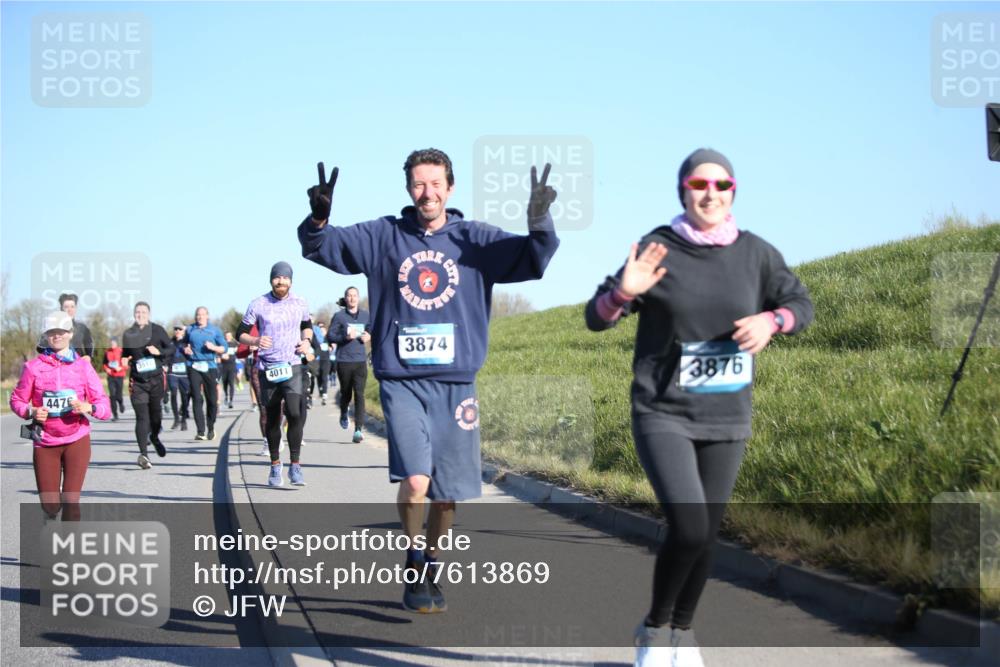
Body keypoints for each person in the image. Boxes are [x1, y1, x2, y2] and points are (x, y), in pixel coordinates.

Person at [298, 148, 559, 613]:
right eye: (419, 184)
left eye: (435, 183)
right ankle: (414, 558)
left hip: (457, 386)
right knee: (417, 480)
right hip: (402, 383)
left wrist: (539, 222)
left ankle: (432, 559)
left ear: (450, 188)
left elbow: (532, 260)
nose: (427, 193)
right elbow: (323, 246)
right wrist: (317, 220)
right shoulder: (385, 236)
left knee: (446, 495)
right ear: (408, 189)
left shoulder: (474, 239)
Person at [584, 148, 814, 667]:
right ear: (682, 191)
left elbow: (802, 305)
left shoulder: (757, 254)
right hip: (663, 410)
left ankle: (682, 633)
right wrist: (622, 294)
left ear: (733, 192)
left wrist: (772, 322)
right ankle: (653, 629)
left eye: (722, 184)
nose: (710, 193)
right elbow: (595, 318)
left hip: (727, 415)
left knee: (707, 532)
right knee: (689, 526)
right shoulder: (657, 249)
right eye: (699, 183)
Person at [11, 311, 111, 521]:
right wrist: (31, 411)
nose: (57, 336)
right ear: (46, 335)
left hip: (77, 440)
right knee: (50, 505)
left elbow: (104, 407)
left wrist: (88, 407)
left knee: (70, 501)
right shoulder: (33, 367)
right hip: (45, 442)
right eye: (52, 332)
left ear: (70, 334)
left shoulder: (83, 366)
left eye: (61, 332)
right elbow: (17, 400)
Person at [237, 262, 313, 487]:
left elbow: (306, 325)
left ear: (291, 280)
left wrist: (307, 340)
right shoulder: (258, 304)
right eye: (277, 278)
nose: (281, 281)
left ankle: (296, 466)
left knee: (294, 413)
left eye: (285, 278)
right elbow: (241, 333)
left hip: (293, 365)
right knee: (272, 417)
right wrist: (255, 340)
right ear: (271, 280)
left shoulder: (300, 302)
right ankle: (275, 464)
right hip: (267, 367)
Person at [120, 301, 174, 469]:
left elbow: (171, 349)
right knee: (142, 417)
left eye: (143, 312)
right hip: (138, 382)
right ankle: (143, 454)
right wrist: (124, 359)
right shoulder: (128, 333)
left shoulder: (158, 330)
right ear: (134, 314)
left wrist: (159, 352)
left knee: (155, 417)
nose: (140, 314)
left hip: (156, 379)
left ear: (149, 314)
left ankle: (155, 437)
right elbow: (125, 353)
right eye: (138, 312)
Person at [328, 287, 370, 442]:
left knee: (360, 394)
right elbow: (330, 335)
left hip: (360, 360)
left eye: (354, 296)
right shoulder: (339, 316)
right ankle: (344, 411)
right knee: (346, 392)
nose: (352, 298)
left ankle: (358, 429)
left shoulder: (366, 315)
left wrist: (369, 335)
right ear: (345, 298)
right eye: (349, 296)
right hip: (344, 361)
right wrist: (345, 337)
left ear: (358, 298)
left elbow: (372, 328)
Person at [182, 307, 227, 441]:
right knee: (196, 397)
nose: (200, 317)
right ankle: (200, 431)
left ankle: (211, 427)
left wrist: (213, 347)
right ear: (195, 316)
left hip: (210, 366)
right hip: (193, 365)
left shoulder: (215, 330)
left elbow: (224, 348)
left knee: (212, 400)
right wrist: (186, 349)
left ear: (207, 316)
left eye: (202, 315)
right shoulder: (190, 329)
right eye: (198, 315)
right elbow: (183, 344)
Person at [167, 326, 191, 430]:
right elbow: (165, 354)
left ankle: (183, 420)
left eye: (180, 329)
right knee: (173, 393)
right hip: (172, 372)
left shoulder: (187, 342)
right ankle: (176, 418)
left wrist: (189, 351)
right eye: (175, 329)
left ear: (183, 331)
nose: (177, 331)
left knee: (185, 397)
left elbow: (192, 354)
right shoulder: (170, 342)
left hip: (184, 373)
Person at [59, 293, 95, 360]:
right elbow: (41, 347)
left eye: (72, 306)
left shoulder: (82, 328)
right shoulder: (53, 327)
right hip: (58, 365)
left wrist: (89, 356)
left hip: (78, 365)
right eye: (66, 307)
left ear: (76, 308)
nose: (70, 310)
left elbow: (89, 343)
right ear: (61, 308)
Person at [102, 337, 127, 421]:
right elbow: (104, 363)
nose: (112, 345)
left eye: (113, 343)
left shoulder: (121, 351)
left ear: (116, 343)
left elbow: (127, 364)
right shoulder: (107, 352)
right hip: (111, 376)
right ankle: (115, 415)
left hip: (120, 375)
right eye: (111, 343)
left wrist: (121, 368)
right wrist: (107, 369)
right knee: (112, 396)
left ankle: (121, 403)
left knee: (118, 395)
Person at [219, 331, 239, 409]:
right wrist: (221, 356)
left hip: (232, 366)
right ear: (224, 336)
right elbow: (218, 353)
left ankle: (231, 400)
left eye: (229, 335)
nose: (228, 337)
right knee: (225, 383)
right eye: (226, 336)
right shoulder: (222, 344)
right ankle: (226, 396)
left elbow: (239, 350)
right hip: (223, 366)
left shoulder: (234, 344)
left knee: (231, 383)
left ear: (231, 336)